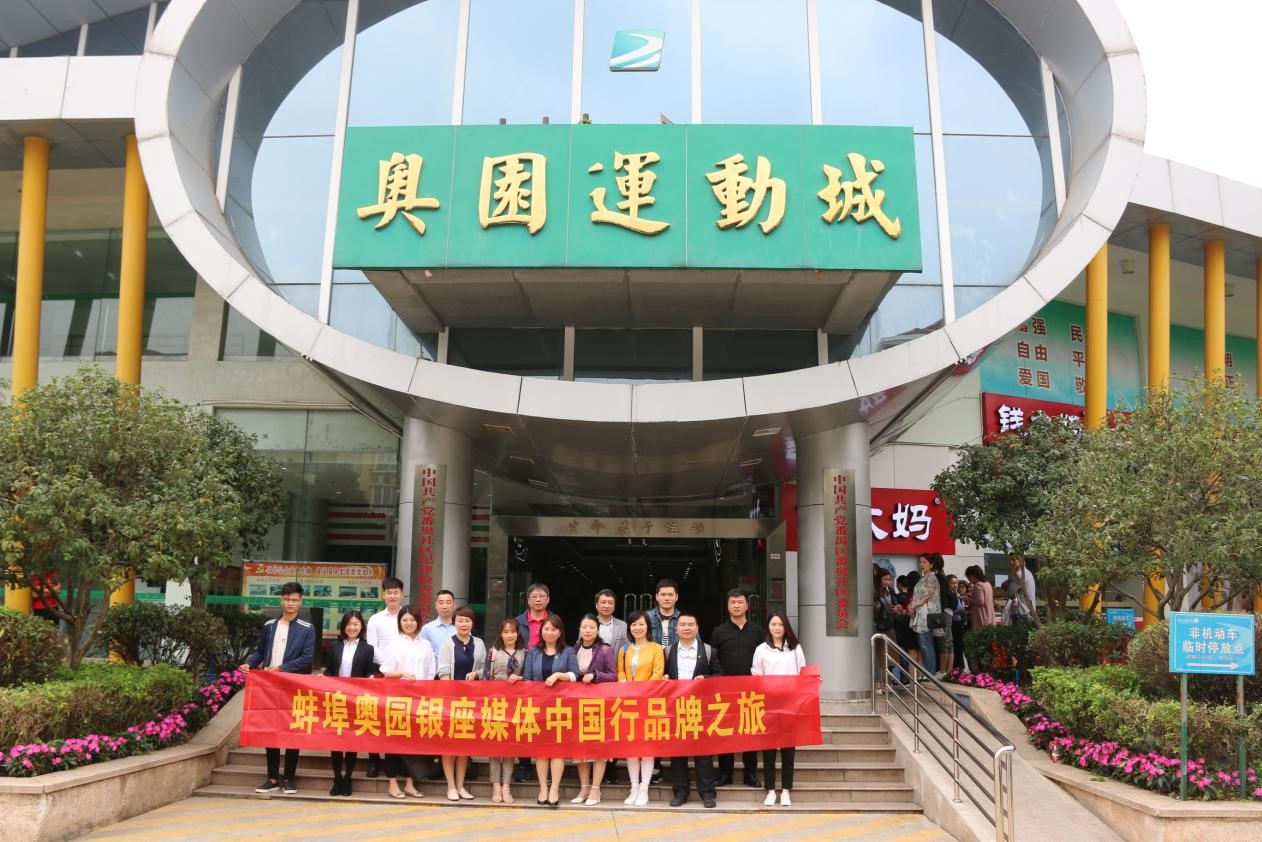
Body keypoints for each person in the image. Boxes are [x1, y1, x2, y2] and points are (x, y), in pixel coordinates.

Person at [241, 581, 316, 795]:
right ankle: (272, 778)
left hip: (294, 686)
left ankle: (289, 778)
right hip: (269, 686)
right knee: (270, 731)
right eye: (287, 599)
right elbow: (260, 650)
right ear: (281, 600)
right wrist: (250, 663)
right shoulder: (269, 625)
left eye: (295, 599)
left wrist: (282, 668)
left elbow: (307, 658)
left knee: (293, 731)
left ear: (301, 602)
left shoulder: (307, 628)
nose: (290, 603)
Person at [378, 607, 436, 798]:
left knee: (414, 742)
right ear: (400, 622)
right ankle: (392, 782)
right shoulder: (394, 643)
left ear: (418, 622)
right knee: (394, 741)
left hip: (419, 700)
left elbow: (431, 671)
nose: (408, 623)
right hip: (397, 700)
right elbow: (386, 671)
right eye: (404, 620)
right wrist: (402, 674)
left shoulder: (425, 644)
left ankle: (411, 783)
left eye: (412, 620)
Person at [709, 588, 762, 788]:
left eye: (740, 602)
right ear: (728, 606)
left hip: (751, 690)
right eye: (733, 602)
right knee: (725, 731)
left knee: (749, 731)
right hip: (725, 690)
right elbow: (714, 660)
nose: (737, 605)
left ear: (747, 605)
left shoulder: (758, 631)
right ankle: (725, 773)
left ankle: (750, 774)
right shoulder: (719, 632)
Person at [523, 614, 578, 807]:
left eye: (553, 629)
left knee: (557, 749)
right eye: (546, 629)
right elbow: (527, 678)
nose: (549, 632)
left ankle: (554, 788)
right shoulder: (533, 651)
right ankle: (543, 788)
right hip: (538, 707)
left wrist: (558, 675)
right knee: (541, 750)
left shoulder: (568, 651)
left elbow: (575, 675)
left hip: (560, 708)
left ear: (560, 632)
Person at [752, 612, 806, 807]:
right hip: (768, 705)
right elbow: (756, 675)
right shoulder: (761, 649)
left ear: (786, 627)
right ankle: (770, 790)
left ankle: (786, 790)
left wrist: (812, 682)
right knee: (768, 751)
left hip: (790, 705)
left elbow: (802, 673)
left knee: (788, 750)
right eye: (773, 624)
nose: (777, 627)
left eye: (780, 624)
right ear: (768, 626)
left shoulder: (795, 648)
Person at [665, 613, 718, 809]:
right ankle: (680, 792)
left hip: (700, 708)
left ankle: (708, 793)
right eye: (682, 625)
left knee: (703, 752)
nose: (686, 628)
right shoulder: (668, 651)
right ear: (676, 629)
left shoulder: (709, 650)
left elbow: (720, 675)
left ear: (697, 628)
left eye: (690, 624)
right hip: (676, 708)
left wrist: (707, 679)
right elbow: (663, 674)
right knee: (678, 752)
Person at [436, 606, 485, 801]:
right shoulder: (447, 643)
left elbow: (485, 669)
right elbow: (443, 672)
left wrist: (477, 674)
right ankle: (451, 786)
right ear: (454, 623)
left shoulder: (479, 643)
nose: (463, 624)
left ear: (472, 623)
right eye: (460, 621)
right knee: (449, 745)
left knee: (464, 744)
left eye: (467, 620)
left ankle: (461, 786)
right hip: (451, 701)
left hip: (471, 702)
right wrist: (450, 698)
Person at [324, 609, 375, 796]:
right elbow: (330, 669)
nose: (352, 628)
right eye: (348, 624)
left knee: (352, 742)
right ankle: (337, 777)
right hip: (337, 699)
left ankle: (348, 778)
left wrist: (370, 677)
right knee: (336, 741)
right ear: (343, 626)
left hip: (356, 700)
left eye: (355, 624)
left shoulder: (367, 648)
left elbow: (368, 671)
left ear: (361, 627)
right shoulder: (335, 646)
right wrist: (323, 676)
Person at [618, 610, 665, 806]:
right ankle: (634, 787)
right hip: (628, 704)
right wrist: (625, 686)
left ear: (648, 627)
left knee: (647, 747)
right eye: (634, 624)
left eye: (641, 624)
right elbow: (620, 672)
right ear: (629, 628)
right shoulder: (624, 649)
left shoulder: (656, 648)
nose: (637, 628)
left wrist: (641, 691)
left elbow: (657, 673)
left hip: (648, 702)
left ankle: (644, 788)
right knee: (631, 747)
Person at [571, 613, 616, 805]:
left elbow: (613, 676)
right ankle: (584, 788)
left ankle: (596, 789)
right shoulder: (574, 649)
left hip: (599, 706)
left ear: (598, 630)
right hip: (579, 706)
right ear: (579, 630)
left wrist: (596, 675)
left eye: (591, 627)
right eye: (584, 627)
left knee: (598, 748)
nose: (587, 631)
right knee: (580, 749)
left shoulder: (605, 650)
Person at [364, 576, 405, 779]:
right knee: (376, 716)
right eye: (389, 593)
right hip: (381, 672)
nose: (392, 596)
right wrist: (389, 666)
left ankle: (398, 761)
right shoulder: (376, 619)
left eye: (396, 592)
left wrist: (399, 668)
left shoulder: (408, 616)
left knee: (398, 716)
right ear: (383, 595)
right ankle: (373, 759)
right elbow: (372, 647)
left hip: (404, 675)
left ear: (402, 595)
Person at [482, 617, 525, 804]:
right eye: (506, 632)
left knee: (509, 748)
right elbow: (485, 678)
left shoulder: (525, 653)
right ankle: (496, 786)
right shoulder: (492, 652)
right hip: (495, 706)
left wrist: (520, 678)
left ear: (518, 633)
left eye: (513, 631)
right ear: (500, 633)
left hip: (515, 706)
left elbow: (529, 677)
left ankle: (506, 786)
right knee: (494, 748)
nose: (509, 635)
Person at [513, 583, 552, 783]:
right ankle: (524, 763)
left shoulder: (554, 621)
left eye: (541, 596)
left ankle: (547, 761)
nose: (538, 599)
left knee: (547, 721)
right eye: (534, 596)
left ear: (548, 599)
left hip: (548, 674)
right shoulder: (518, 622)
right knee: (525, 720)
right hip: (523, 674)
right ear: (528, 600)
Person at [593, 588, 628, 784]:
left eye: (610, 602)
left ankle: (611, 767)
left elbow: (628, 651)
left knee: (614, 725)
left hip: (615, 681)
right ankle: (595, 765)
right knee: (596, 724)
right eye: (603, 602)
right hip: (593, 683)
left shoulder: (623, 626)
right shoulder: (589, 623)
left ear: (615, 606)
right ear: (596, 605)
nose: (606, 606)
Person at [909, 556, 940, 675]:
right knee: (924, 646)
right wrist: (911, 605)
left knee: (926, 645)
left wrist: (913, 605)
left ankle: (930, 674)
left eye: (924, 562)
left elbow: (926, 596)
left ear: (931, 564)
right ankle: (928, 673)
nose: (921, 564)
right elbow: (917, 596)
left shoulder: (932, 578)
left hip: (926, 615)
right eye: (920, 562)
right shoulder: (922, 579)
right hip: (919, 615)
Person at [927, 554, 954, 677]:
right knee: (948, 641)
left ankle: (943, 671)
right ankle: (948, 670)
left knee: (943, 640)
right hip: (947, 611)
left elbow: (941, 596)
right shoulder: (942, 575)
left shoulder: (939, 577)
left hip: (943, 611)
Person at [873, 569, 898, 690]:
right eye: (885, 579)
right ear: (879, 580)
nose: (888, 582)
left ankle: (886, 682)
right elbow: (877, 612)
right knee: (881, 657)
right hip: (880, 628)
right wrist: (892, 610)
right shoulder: (875, 593)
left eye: (889, 579)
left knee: (889, 657)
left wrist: (894, 609)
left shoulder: (889, 592)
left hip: (889, 626)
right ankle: (880, 683)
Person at [421, 589, 457, 659]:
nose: (444, 606)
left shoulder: (461, 627)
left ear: (454, 605)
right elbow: (422, 654)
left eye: (448, 602)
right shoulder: (427, 629)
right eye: (441, 603)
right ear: (436, 605)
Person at [1003, 556, 1037, 625]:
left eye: (1014, 560)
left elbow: (1010, 593)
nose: (1011, 562)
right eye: (1010, 560)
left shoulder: (1019, 574)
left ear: (1021, 560)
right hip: (1029, 611)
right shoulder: (1028, 573)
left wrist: (1007, 585)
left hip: (1021, 612)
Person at [948, 575, 968, 672]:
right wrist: (961, 612)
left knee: (959, 648)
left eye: (956, 583)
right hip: (952, 625)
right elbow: (949, 612)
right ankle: (956, 669)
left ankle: (960, 668)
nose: (955, 585)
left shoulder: (956, 596)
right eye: (953, 583)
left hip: (959, 624)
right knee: (955, 648)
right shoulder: (949, 596)